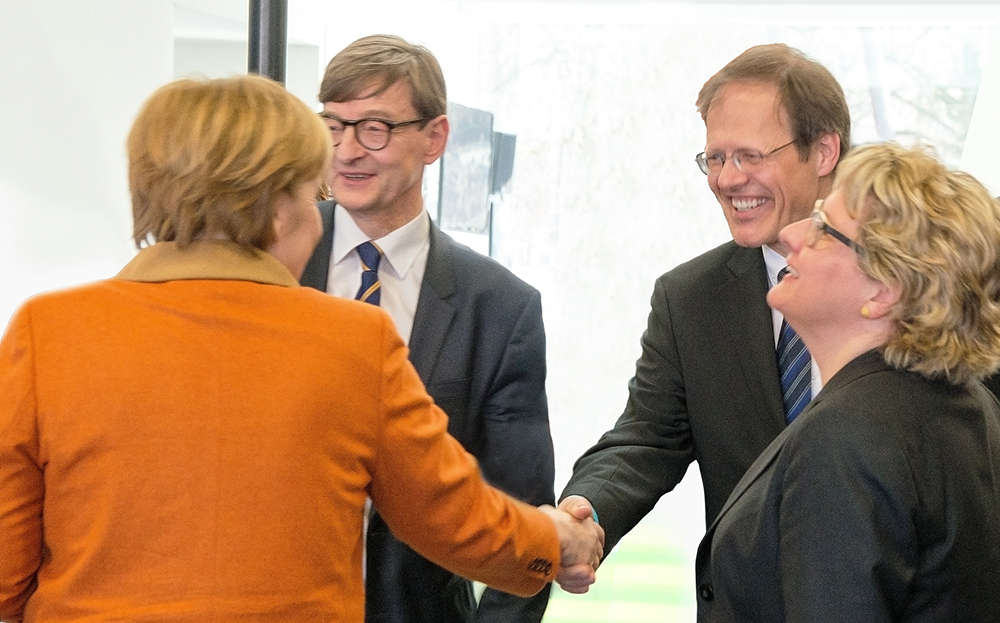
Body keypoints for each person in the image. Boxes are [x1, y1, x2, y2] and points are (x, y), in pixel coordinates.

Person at [0, 74, 602, 623]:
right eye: (310, 191)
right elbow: (455, 518)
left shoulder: (46, 331)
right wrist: (558, 541)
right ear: (281, 204)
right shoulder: (353, 341)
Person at [557, 42, 850, 588]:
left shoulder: (916, 283)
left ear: (824, 151)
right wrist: (584, 513)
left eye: (750, 156)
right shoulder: (689, 299)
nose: (727, 179)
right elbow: (646, 440)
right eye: (715, 158)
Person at [299, 35, 557, 623]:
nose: (346, 152)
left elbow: (521, 510)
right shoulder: (271, 258)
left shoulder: (500, 307)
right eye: (333, 127)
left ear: (434, 138)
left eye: (375, 129)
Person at [696, 141, 1000, 621]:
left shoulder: (846, 437)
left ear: (883, 291)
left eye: (822, 228)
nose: (793, 234)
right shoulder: (970, 405)